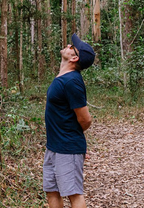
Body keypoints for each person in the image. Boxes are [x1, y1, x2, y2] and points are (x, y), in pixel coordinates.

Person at [43, 33, 95, 208]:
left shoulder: (72, 81)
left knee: (73, 193)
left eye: (72, 47)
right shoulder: (63, 78)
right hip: (54, 146)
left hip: (67, 147)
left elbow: (85, 119)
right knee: (52, 190)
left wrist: (73, 141)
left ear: (74, 57)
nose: (67, 45)